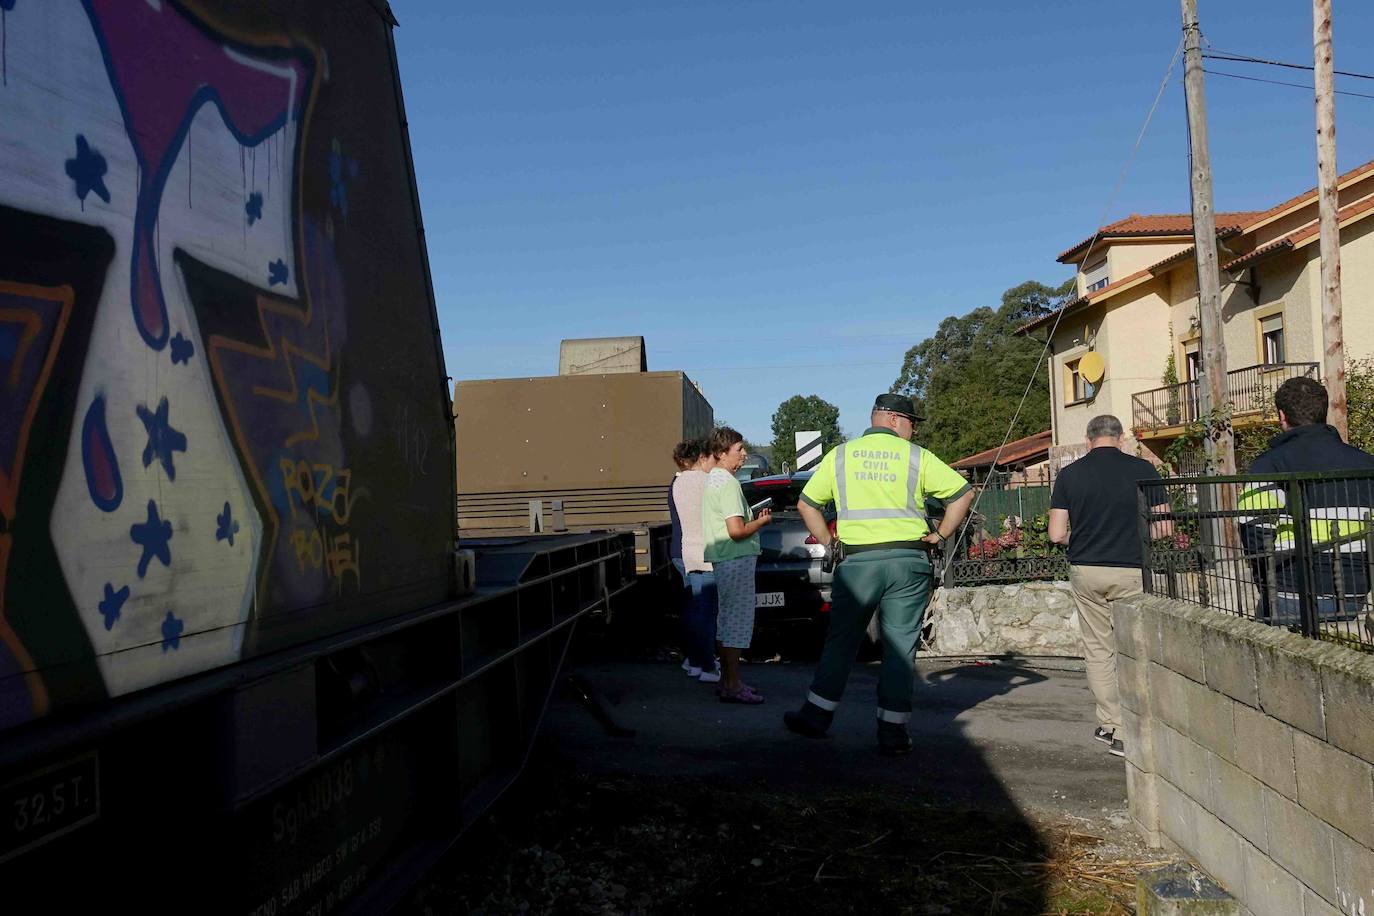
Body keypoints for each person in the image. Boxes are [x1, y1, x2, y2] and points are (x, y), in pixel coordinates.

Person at [783, 394, 975, 755]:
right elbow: (962, 494)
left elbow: (806, 504)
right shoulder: (916, 456)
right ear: (892, 419)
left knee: (842, 641)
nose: (913, 429)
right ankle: (893, 732)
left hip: (857, 564)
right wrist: (940, 535)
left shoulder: (840, 456)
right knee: (900, 648)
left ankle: (816, 717)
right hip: (908, 561)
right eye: (911, 422)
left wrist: (829, 543)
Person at [1047, 414, 1171, 759]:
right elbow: (1164, 529)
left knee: (1099, 649)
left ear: (1089, 440)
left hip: (1087, 569)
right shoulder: (1144, 469)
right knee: (1134, 645)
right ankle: (1139, 721)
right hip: (1132, 568)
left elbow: (1056, 534)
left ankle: (1112, 726)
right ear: (1121, 439)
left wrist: (1081, 535)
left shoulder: (1070, 475)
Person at [1237, 377, 1374, 625]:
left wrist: (1267, 583)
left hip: (1290, 590)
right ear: (1324, 412)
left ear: (1281, 416)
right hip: (1354, 592)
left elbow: (1254, 534)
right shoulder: (1367, 464)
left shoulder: (1268, 465)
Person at [701, 427, 771, 703]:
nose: (743, 455)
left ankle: (728, 682)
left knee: (726, 621)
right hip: (736, 557)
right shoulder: (729, 483)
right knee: (738, 624)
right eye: (739, 449)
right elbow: (736, 530)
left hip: (723, 558)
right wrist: (762, 522)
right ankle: (732, 685)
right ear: (721, 453)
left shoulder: (713, 480)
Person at [668, 437, 721, 682]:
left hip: (684, 551)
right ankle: (705, 663)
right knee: (706, 611)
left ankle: (694, 660)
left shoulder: (676, 483)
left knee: (693, 607)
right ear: (700, 458)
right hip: (703, 552)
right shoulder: (704, 481)